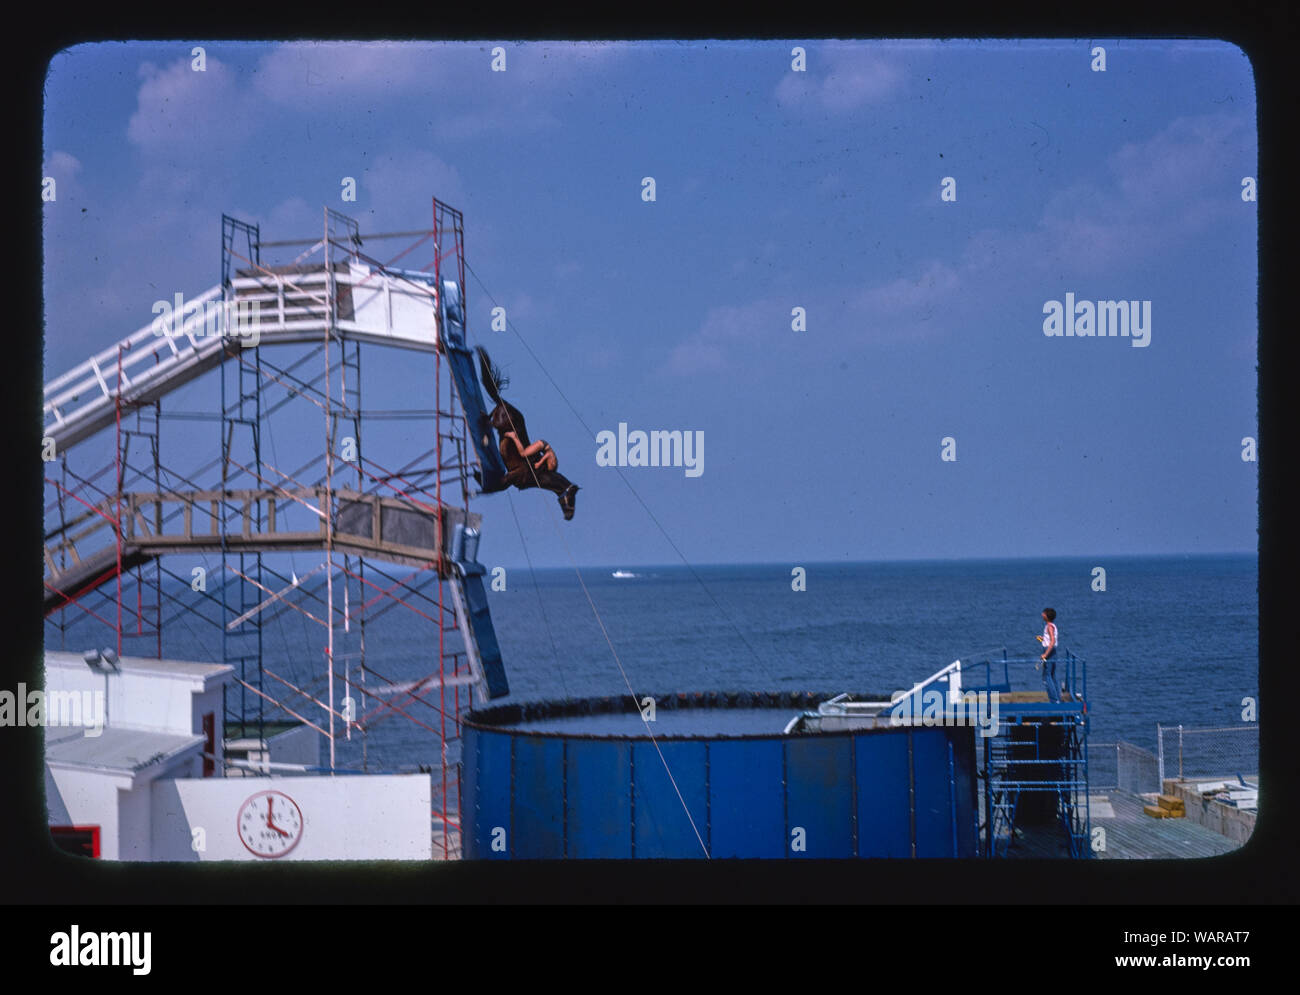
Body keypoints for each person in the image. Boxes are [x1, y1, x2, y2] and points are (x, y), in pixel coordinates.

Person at [477, 347, 579, 520]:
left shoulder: (550, 464)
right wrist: (515, 438)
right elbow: (527, 454)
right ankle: (491, 424)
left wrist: (539, 464)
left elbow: (542, 465)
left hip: (545, 459)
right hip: (540, 448)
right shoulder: (548, 455)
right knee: (525, 459)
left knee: (533, 469)